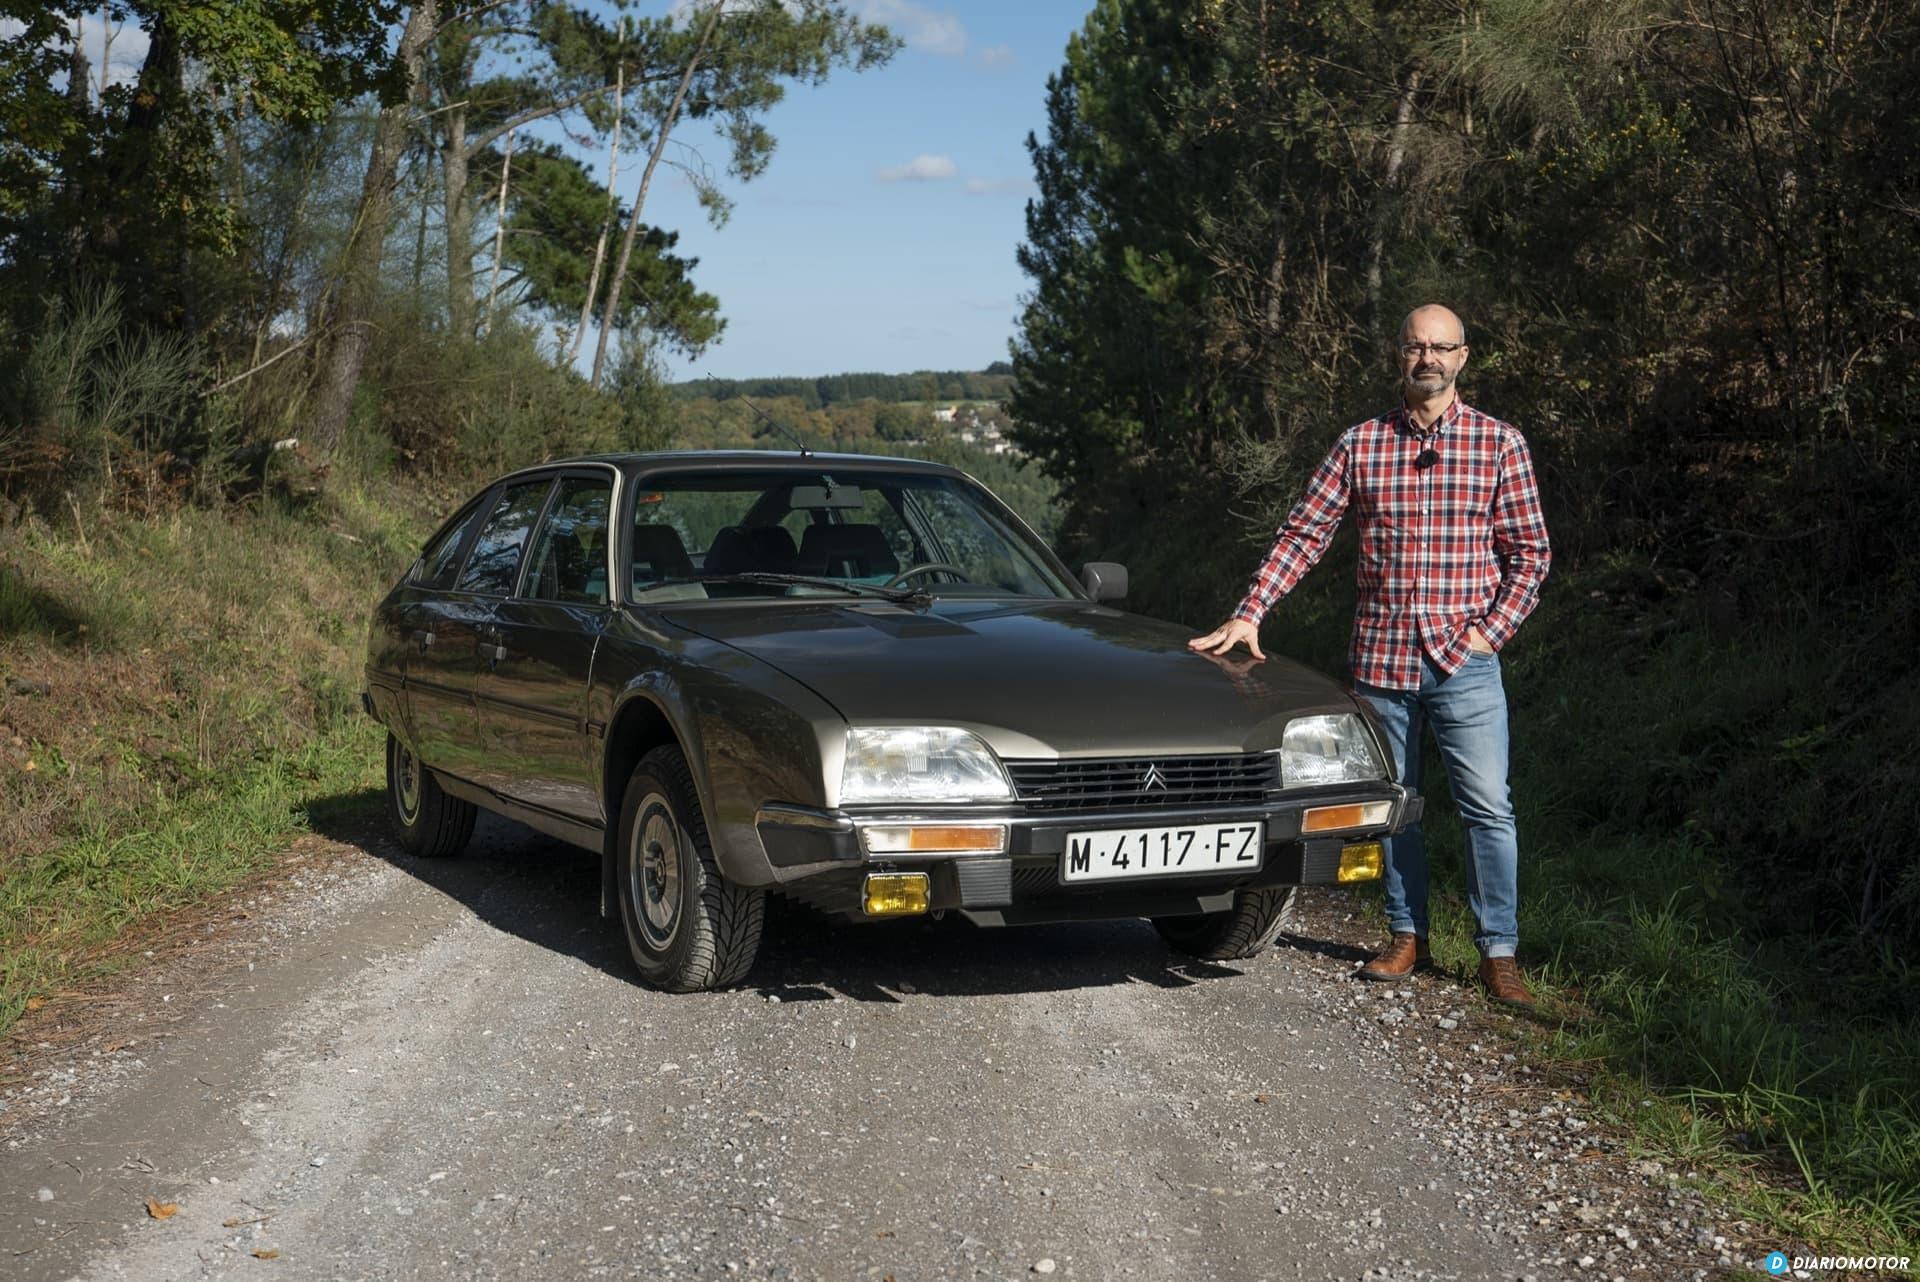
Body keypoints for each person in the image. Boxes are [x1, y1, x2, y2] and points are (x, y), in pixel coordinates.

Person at [1189, 304, 1551, 1008]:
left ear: (1463, 357)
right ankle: (1406, 934)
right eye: (1416, 346)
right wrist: (1251, 610)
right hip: (1381, 662)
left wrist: (1492, 632)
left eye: (1441, 347)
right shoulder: (1361, 444)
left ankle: (1499, 951)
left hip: (1465, 663)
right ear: (1399, 355)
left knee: (1488, 809)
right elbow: (1303, 535)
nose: (1428, 358)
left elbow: (1531, 554)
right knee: (1393, 809)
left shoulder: (1499, 444)